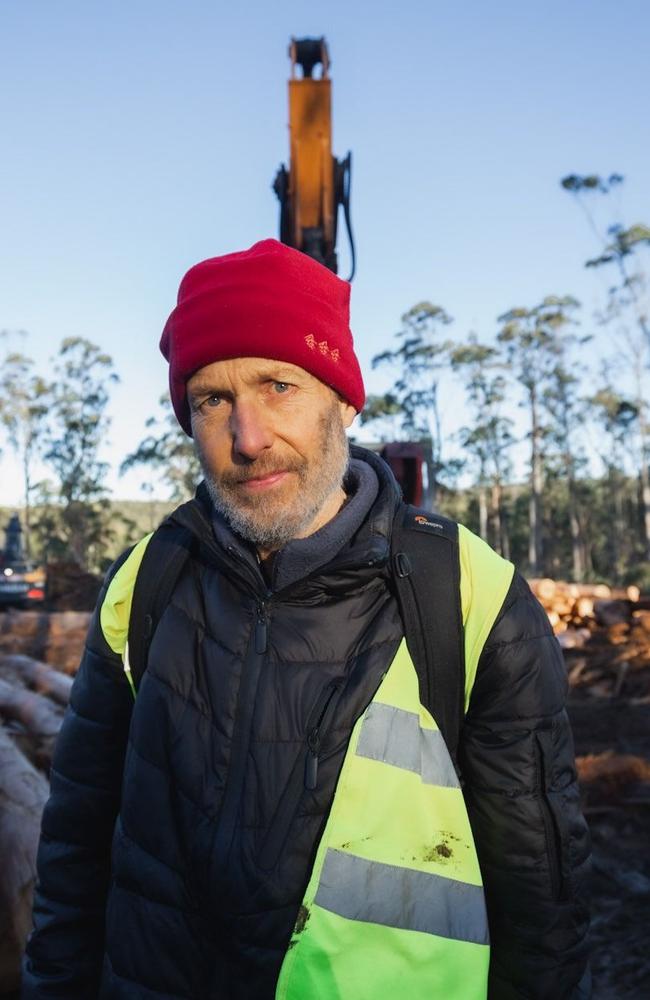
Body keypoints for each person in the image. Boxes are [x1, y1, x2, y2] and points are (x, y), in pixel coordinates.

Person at [23, 239, 591, 1000]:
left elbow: (540, 895)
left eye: (279, 385)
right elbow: (75, 848)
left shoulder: (466, 594)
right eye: (212, 400)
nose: (247, 438)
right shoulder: (145, 583)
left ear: (345, 399)